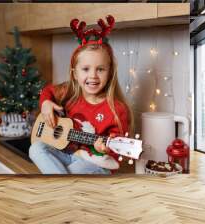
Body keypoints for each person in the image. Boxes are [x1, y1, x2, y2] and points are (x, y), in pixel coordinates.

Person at [29, 15, 132, 174]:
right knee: (35, 148)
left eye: (100, 69)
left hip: (93, 162)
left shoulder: (117, 109)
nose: (93, 76)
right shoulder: (68, 92)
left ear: (110, 73)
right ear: (75, 74)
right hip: (65, 153)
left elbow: (117, 148)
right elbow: (47, 90)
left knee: (72, 171)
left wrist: (102, 149)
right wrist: (46, 104)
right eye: (85, 69)